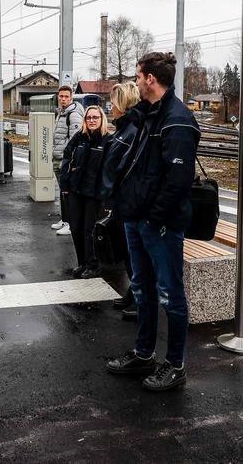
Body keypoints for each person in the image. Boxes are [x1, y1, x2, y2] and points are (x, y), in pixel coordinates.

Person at [105, 52, 200, 392]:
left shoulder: (177, 120)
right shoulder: (149, 114)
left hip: (160, 224)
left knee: (170, 294)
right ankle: (144, 353)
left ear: (150, 79)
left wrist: (154, 218)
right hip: (137, 217)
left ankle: (175, 364)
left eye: (138, 76)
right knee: (142, 289)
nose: (135, 81)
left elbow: (178, 181)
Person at [99, 81, 148, 318]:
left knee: (132, 253)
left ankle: (140, 299)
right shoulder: (123, 129)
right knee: (127, 252)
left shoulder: (132, 131)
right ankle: (133, 291)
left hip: (126, 201)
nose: (110, 107)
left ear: (123, 104)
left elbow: (126, 169)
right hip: (118, 200)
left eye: (113, 102)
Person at [61, 105, 110, 279]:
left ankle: (92, 265)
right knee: (76, 228)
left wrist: (106, 194)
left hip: (94, 194)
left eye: (95, 117)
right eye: (89, 117)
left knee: (90, 230)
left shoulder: (107, 140)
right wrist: (65, 184)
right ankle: (82, 262)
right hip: (76, 190)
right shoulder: (79, 137)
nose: (92, 120)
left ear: (102, 119)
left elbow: (109, 170)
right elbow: (67, 157)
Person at [50, 85, 82, 236]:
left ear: (71, 97)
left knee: (68, 192)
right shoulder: (61, 113)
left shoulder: (73, 115)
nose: (63, 99)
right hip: (57, 158)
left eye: (66, 97)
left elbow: (75, 140)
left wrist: (68, 159)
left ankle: (70, 224)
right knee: (63, 192)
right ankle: (65, 220)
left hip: (65, 160)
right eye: (61, 96)